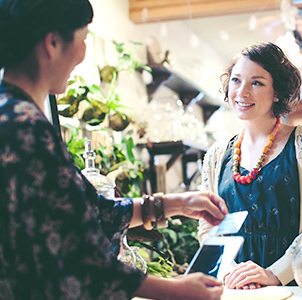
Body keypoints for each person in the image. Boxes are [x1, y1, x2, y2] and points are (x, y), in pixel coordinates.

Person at [0, 0, 228, 299]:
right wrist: (174, 289)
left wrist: (176, 204)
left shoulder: (12, 115)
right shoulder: (27, 128)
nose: (83, 53)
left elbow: (92, 212)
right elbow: (80, 261)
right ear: (53, 43)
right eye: (83, 39)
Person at [199, 42, 302, 289]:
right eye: (236, 80)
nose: (242, 92)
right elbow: (207, 228)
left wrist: (274, 274)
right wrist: (233, 274)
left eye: (256, 82)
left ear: (277, 92)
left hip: (296, 285)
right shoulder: (216, 155)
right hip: (237, 290)